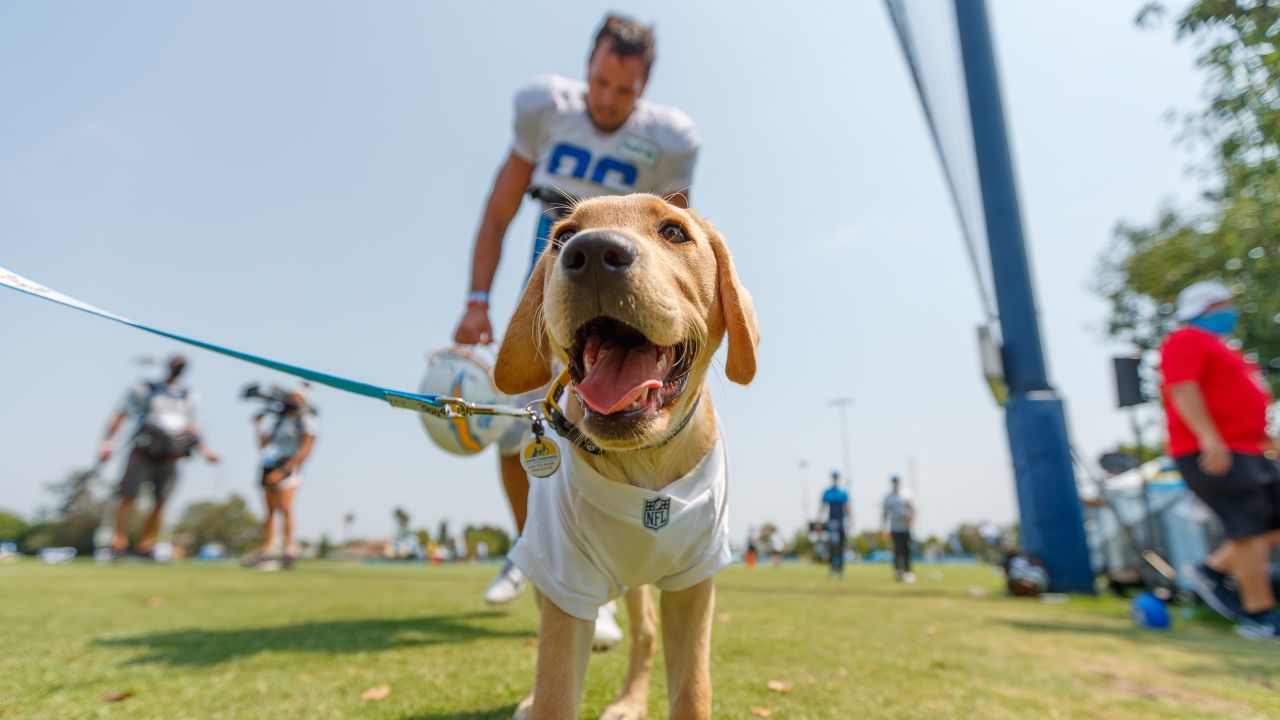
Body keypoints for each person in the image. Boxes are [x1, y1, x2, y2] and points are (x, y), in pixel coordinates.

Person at [450, 13, 700, 648]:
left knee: (604, 426)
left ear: (643, 88)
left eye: (625, 90)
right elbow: (499, 209)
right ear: (588, 67)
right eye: (602, 83)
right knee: (515, 434)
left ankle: (598, 583)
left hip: (621, 304)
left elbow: (681, 241)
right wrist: (478, 300)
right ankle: (531, 545)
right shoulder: (545, 109)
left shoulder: (668, 142)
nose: (610, 99)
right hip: (548, 294)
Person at [1161, 280, 1280, 640]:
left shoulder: (1224, 348)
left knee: (1268, 522)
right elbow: (1182, 388)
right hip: (1214, 451)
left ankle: (1211, 571)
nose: (1230, 311)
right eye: (1223, 305)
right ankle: (1260, 616)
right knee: (1248, 527)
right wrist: (1208, 437)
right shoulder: (1185, 341)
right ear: (1204, 308)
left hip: (1249, 449)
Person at [98, 354, 220, 558]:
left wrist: (205, 450)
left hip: (172, 453)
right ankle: (118, 544)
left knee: (161, 500)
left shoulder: (188, 395)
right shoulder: (145, 388)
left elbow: (190, 425)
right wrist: (108, 442)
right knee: (127, 495)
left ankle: (146, 545)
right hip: (144, 448)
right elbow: (122, 413)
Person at [245, 386, 316, 569]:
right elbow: (264, 445)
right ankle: (267, 551)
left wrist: (284, 470)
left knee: (285, 508)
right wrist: (258, 426)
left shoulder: (305, 420)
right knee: (269, 512)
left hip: (288, 465)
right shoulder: (279, 420)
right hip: (270, 463)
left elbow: (306, 448)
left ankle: (287, 552)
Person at [882, 475, 916, 582]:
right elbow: (885, 512)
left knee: (906, 550)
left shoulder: (907, 494)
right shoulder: (888, 496)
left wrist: (911, 519)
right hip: (895, 528)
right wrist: (883, 527)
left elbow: (913, 510)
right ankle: (899, 571)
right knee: (898, 550)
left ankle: (907, 571)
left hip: (906, 528)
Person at [821, 471, 851, 578]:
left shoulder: (843, 492)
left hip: (841, 522)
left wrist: (851, 520)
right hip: (831, 522)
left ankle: (840, 570)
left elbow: (848, 507)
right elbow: (822, 507)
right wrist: (819, 521)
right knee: (833, 546)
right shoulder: (827, 492)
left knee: (841, 547)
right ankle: (832, 569)